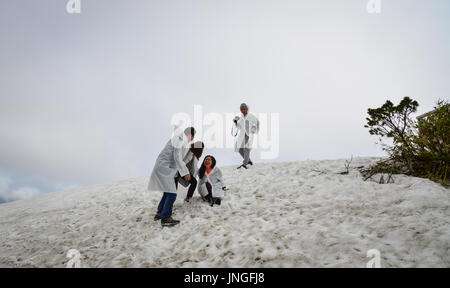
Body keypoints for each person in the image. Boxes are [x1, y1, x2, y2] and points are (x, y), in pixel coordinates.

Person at [148, 127, 196, 227]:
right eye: (193, 137)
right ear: (190, 135)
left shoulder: (177, 139)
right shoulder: (181, 140)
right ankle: (165, 218)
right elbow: (177, 158)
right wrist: (185, 172)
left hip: (164, 167)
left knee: (167, 192)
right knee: (172, 194)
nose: (192, 139)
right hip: (165, 168)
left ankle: (160, 213)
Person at [233, 103, 259, 169]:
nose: (243, 110)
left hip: (249, 134)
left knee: (246, 149)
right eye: (241, 109)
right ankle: (249, 161)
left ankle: (245, 164)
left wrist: (254, 128)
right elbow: (239, 127)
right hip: (242, 135)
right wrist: (236, 122)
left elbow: (257, 122)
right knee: (239, 149)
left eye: (244, 109)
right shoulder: (241, 117)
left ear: (247, 109)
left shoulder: (250, 116)